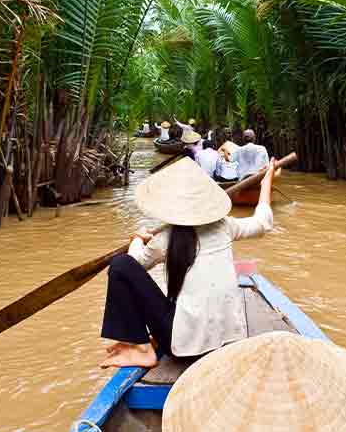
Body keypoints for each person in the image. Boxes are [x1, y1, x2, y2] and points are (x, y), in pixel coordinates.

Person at [98, 157, 277, 368]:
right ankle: (138, 345)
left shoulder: (165, 238)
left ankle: (143, 349)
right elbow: (263, 223)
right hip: (229, 342)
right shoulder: (224, 226)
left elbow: (134, 263)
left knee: (120, 265)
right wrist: (267, 183)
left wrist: (137, 240)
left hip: (184, 350)